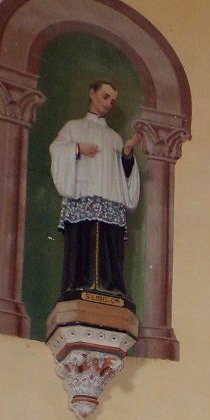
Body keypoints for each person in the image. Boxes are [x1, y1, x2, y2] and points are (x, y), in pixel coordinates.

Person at [50, 79, 141, 304]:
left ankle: (110, 289)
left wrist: (127, 152)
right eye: (105, 96)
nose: (109, 103)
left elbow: (123, 175)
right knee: (84, 242)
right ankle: (81, 285)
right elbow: (57, 150)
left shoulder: (114, 138)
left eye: (113, 100)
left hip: (110, 198)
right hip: (84, 195)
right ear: (92, 94)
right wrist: (78, 148)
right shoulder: (74, 128)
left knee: (109, 248)